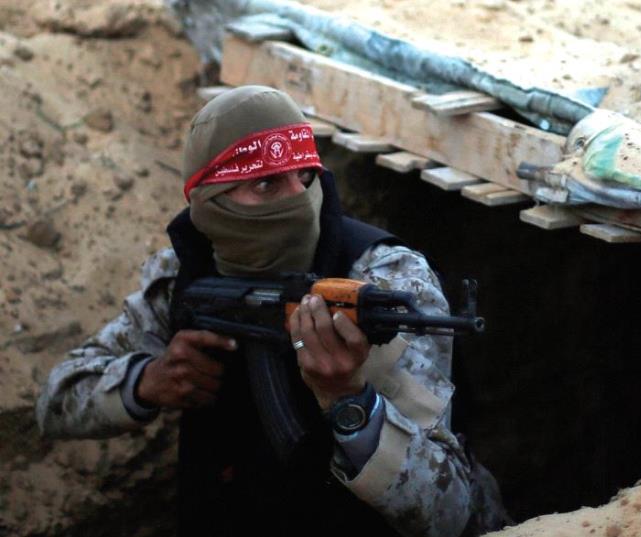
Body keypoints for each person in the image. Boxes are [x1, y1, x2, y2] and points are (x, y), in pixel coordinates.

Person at [36, 85, 508, 536]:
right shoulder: (182, 277)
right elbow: (57, 402)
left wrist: (350, 402)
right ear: (209, 200)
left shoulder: (389, 281)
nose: (297, 201)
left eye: (304, 176)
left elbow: (447, 513)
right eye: (265, 184)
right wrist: (147, 381)